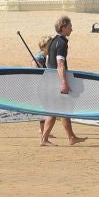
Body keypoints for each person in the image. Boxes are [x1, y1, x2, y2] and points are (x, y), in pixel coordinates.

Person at [40, 16, 85, 146]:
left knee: (59, 109)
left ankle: (70, 137)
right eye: (70, 26)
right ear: (63, 28)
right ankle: (47, 139)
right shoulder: (62, 43)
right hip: (56, 80)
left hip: (50, 78)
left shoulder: (53, 41)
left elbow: (48, 61)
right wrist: (63, 82)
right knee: (59, 109)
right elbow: (60, 64)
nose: (72, 29)